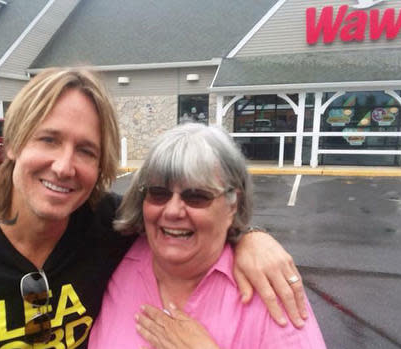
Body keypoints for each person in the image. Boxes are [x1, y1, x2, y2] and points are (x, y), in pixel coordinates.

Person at [0, 68, 308, 349]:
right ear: (15, 143)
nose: (64, 165)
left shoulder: (110, 226)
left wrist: (253, 236)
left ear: (100, 165)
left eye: (86, 150)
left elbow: (187, 222)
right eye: (49, 139)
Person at [89, 123, 325, 348]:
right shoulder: (117, 251)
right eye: (159, 193)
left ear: (233, 204)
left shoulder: (269, 291)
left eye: (196, 196)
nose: (172, 211)